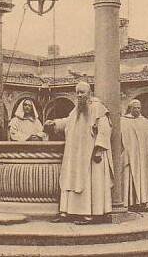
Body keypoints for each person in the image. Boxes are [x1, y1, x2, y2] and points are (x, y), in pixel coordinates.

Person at [44, 81, 113, 224]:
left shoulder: (97, 108)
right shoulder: (76, 110)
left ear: (89, 94)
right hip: (74, 154)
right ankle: (68, 213)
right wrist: (54, 124)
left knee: (88, 183)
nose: (79, 95)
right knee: (70, 179)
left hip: (90, 154)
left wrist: (99, 149)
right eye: (77, 93)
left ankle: (88, 215)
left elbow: (105, 129)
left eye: (82, 92)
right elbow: (67, 122)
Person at [121, 99, 148, 212]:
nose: (137, 110)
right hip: (130, 155)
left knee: (145, 179)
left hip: (143, 158)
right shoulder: (123, 121)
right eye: (135, 108)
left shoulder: (145, 122)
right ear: (130, 108)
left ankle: (143, 203)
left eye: (139, 108)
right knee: (129, 179)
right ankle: (130, 203)